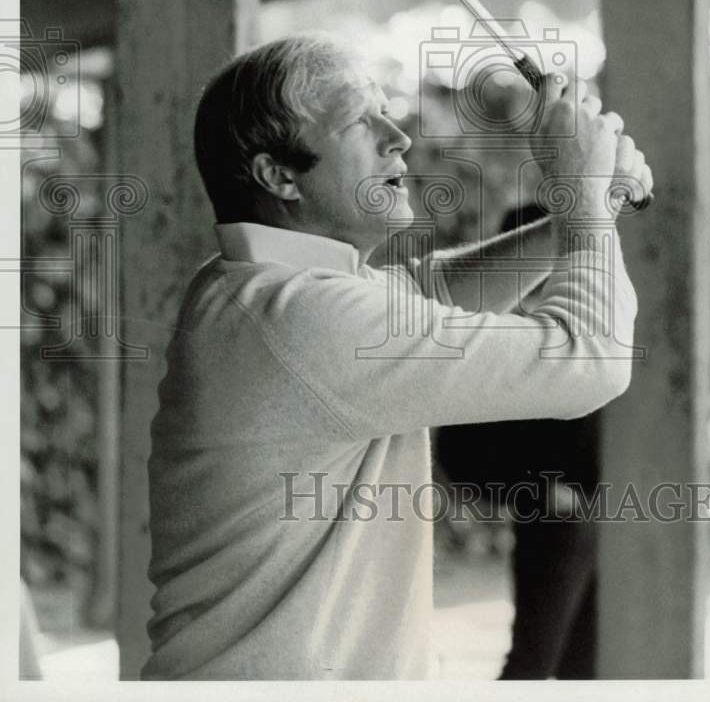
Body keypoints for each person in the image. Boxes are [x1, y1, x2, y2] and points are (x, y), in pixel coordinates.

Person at [141, 36, 651, 680]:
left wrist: (579, 209)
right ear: (279, 176)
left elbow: (420, 295)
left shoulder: (255, 288)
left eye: (386, 109)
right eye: (360, 119)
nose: (398, 136)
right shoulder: (300, 317)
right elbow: (590, 360)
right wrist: (580, 204)